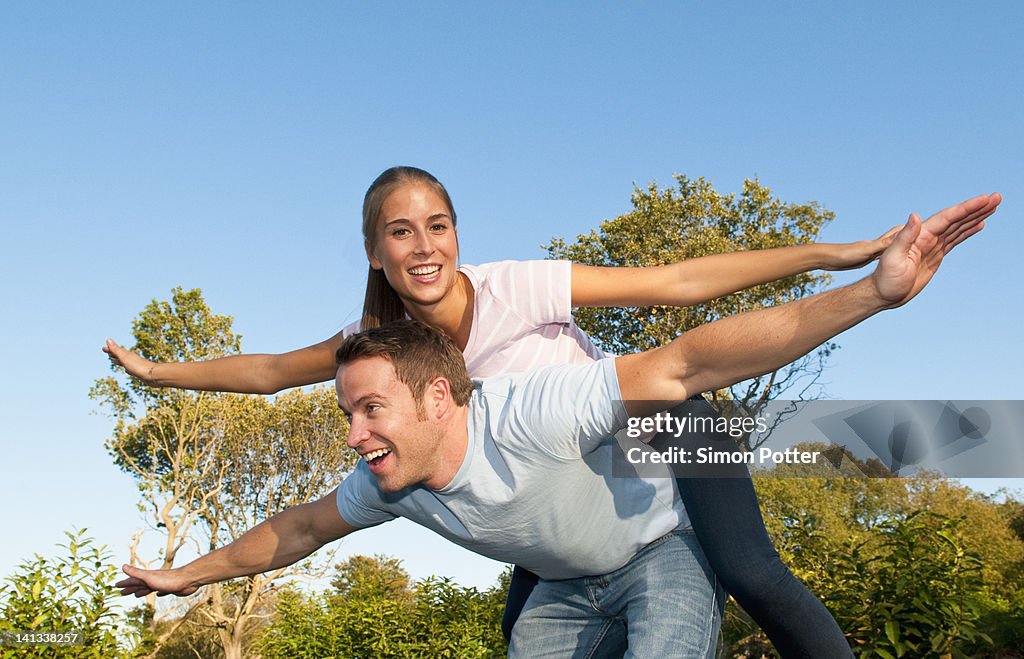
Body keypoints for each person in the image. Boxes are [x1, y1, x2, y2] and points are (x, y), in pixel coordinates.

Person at [103, 166, 997, 656]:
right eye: (402, 231)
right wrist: (159, 373)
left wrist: (839, 258)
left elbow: (678, 290)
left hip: (653, 428)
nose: (425, 247)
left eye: (439, 225)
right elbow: (264, 371)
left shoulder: (516, 286)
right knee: (527, 609)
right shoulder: (375, 354)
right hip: (546, 486)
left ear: (458, 232)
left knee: (751, 574)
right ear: (375, 250)